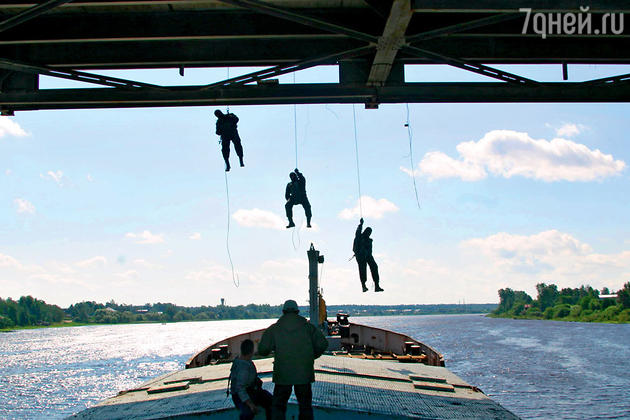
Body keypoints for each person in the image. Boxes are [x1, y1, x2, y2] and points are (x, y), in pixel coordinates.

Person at [258, 299, 328, 420]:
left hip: (283, 375)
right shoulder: (308, 327)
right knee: (305, 407)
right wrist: (312, 356)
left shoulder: (275, 328)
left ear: (283, 312)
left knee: (278, 406)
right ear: (297, 312)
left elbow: (263, 350)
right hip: (304, 374)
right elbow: (323, 344)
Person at [230, 339, 272, 420]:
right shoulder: (243, 368)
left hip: (252, 391)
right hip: (240, 396)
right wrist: (251, 405)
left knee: (271, 402)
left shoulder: (242, 361)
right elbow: (240, 389)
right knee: (247, 413)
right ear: (251, 351)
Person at [353, 217, 384, 293]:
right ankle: (363, 286)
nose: (369, 233)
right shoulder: (359, 237)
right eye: (368, 232)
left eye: (370, 232)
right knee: (363, 269)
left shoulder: (369, 240)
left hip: (368, 256)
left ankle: (377, 285)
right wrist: (361, 224)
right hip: (361, 256)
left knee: (374, 267)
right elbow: (358, 231)